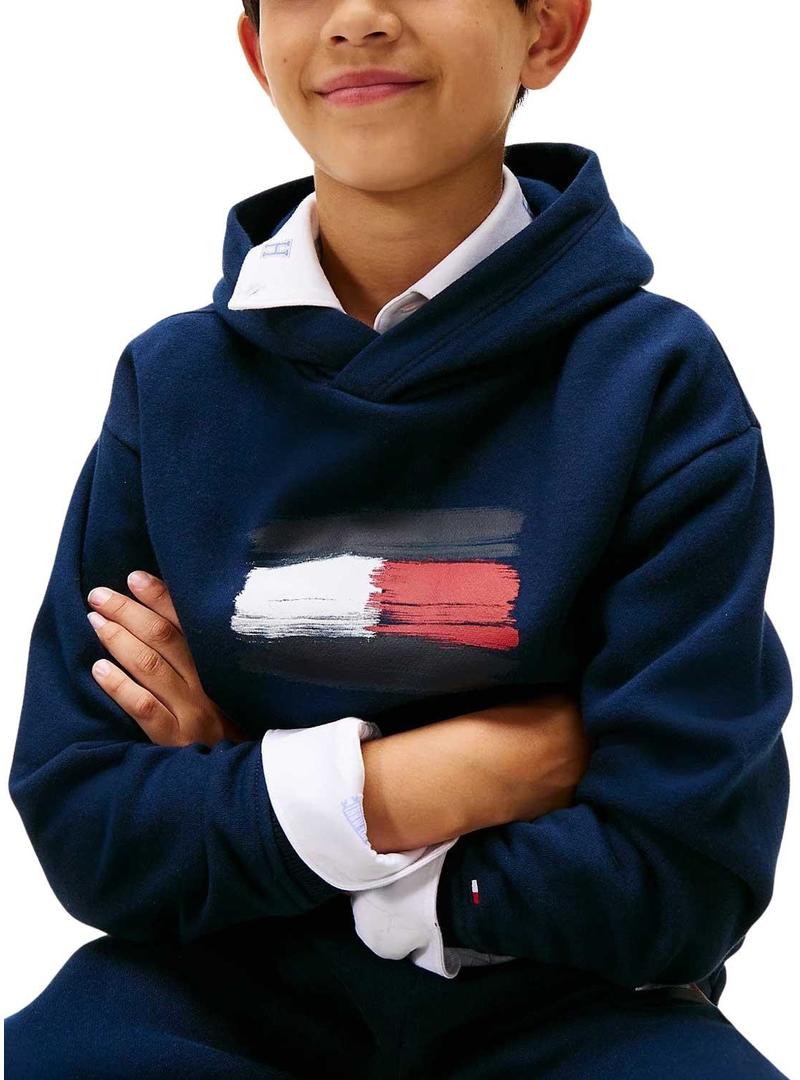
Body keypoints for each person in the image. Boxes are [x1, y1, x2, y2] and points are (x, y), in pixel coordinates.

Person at [4, 0, 792, 1076]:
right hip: (207, 991)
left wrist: (255, 795)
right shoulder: (173, 385)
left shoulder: (651, 382)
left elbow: (679, 876)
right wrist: (435, 781)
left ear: (548, 30)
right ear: (256, 50)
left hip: (575, 1008)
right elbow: (89, 824)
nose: (360, 18)